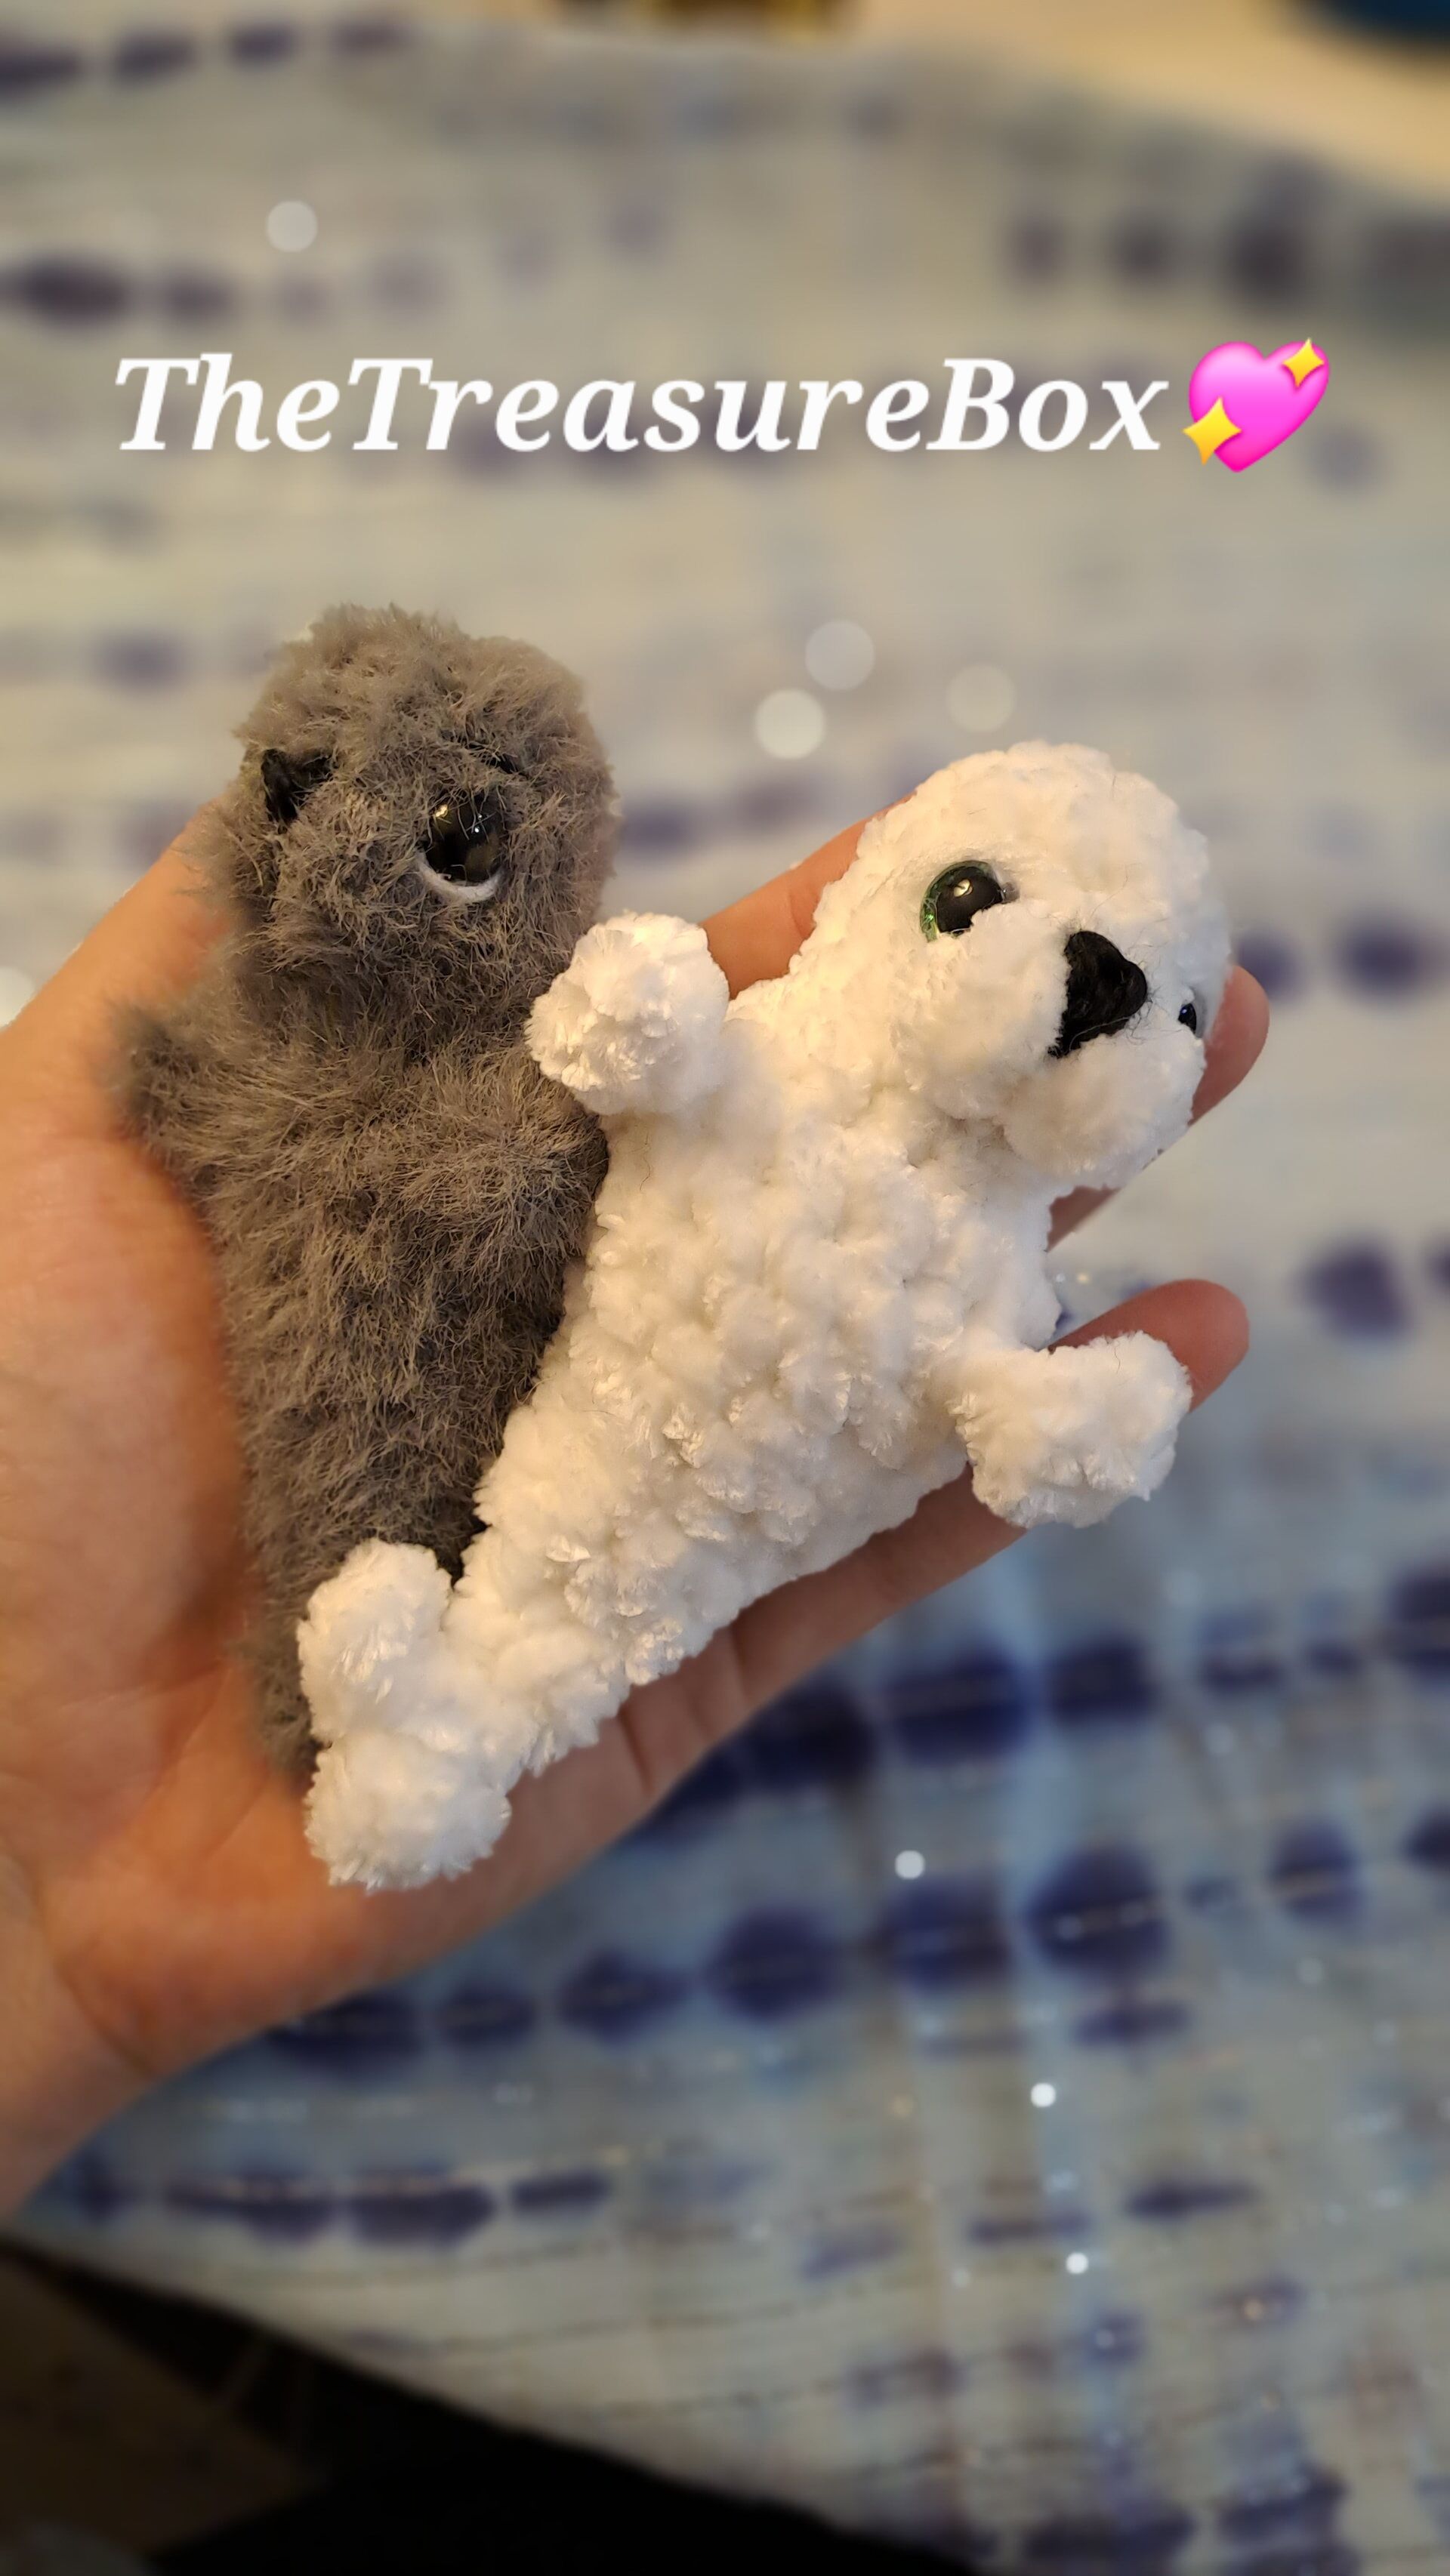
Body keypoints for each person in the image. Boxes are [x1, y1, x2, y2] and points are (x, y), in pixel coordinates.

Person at [0, 813, 1266, 2214]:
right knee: (538, 1555)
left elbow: (1019, 1427)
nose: (1088, 993)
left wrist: (1055, 1416)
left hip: (716, 1545)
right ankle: (432, 1728)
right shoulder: (770, 1054)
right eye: (973, 895)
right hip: (588, 1438)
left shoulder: (999, 1279)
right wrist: (648, 1028)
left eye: (1170, 1008)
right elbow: (626, 1059)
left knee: (584, 1622)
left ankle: (444, 1730)